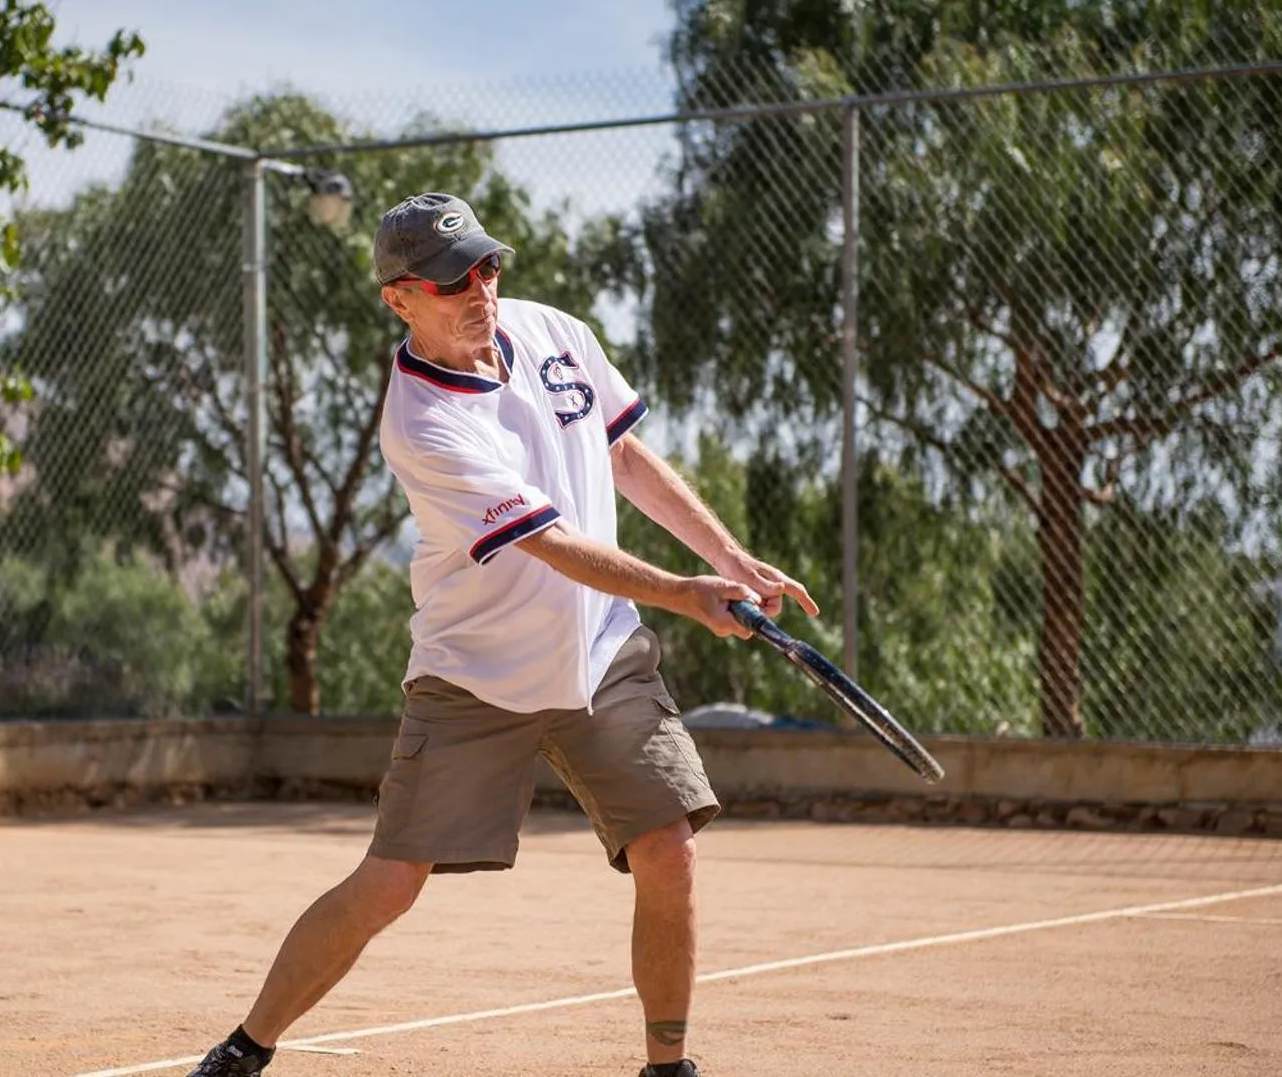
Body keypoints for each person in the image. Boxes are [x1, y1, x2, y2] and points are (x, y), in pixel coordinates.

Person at [185, 192, 819, 1077]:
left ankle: (667, 1069)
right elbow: (549, 544)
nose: (477, 289)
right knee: (391, 881)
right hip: (474, 673)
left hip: (600, 650)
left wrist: (731, 556)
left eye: (485, 266)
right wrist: (685, 591)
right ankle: (246, 1046)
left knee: (668, 848)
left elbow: (624, 456)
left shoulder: (556, 333)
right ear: (399, 299)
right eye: (450, 281)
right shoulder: (423, 422)